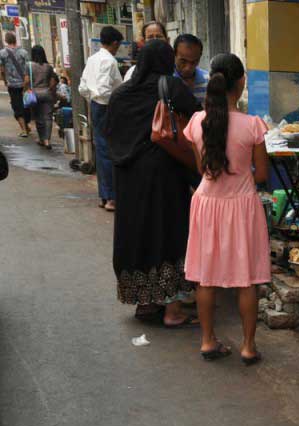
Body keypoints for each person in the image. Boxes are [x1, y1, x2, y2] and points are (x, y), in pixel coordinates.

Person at [183, 53, 270, 364]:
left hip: (207, 204)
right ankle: (248, 346)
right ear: (241, 83)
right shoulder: (253, 126)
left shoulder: (196, 122)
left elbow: (201, 168)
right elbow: (262, 175)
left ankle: (208, 341)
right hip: (242, 205)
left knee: (205, 277)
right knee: (247, 278)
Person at [105, 40, 199, 327]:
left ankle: (145, 303)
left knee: (138, 235)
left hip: (129, 178)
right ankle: (172, 311)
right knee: (169, 234)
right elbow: (195, 122)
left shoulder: (121, 95)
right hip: (164, 176)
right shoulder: (170, 87)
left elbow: (109, 134)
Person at [79, 26, 124, 212]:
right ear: (114, 43)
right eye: (118, 45)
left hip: (96, 106)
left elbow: (82, 87)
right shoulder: (109, 61)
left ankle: (104, 196)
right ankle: (111, 197)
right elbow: (105, 90)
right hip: (107, 107)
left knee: (102, 149)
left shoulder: (92, 59)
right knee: (109, 151)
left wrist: (93, 99)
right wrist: (106, 101)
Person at [0, 32, 32, 138]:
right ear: (15, 40)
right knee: (26, 105)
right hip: (25, 84)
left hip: (12, 85)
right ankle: (26, 126)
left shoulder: (3, 53)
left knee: (17, 106)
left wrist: (5, 80)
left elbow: (2, 69)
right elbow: (29, 68)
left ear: (6, 40)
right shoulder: (23, 52)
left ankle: (24, 129)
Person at [27, 46, 58, 150]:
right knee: (48, 117)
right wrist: (49, 89)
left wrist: (24, 90)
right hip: (46, 93)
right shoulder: (48, 67)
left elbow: (27, 80)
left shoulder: (29, 66)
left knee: (38, 117)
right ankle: (47, 140)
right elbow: (54, 80)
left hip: (34, 93)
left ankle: (41, 139)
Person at [173, 34, 208, 104]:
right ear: (174, 55)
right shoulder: (166, 83)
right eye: (183, 61)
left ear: (200, 58)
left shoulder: (208, 81)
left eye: (194, 62)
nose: (188, 68)